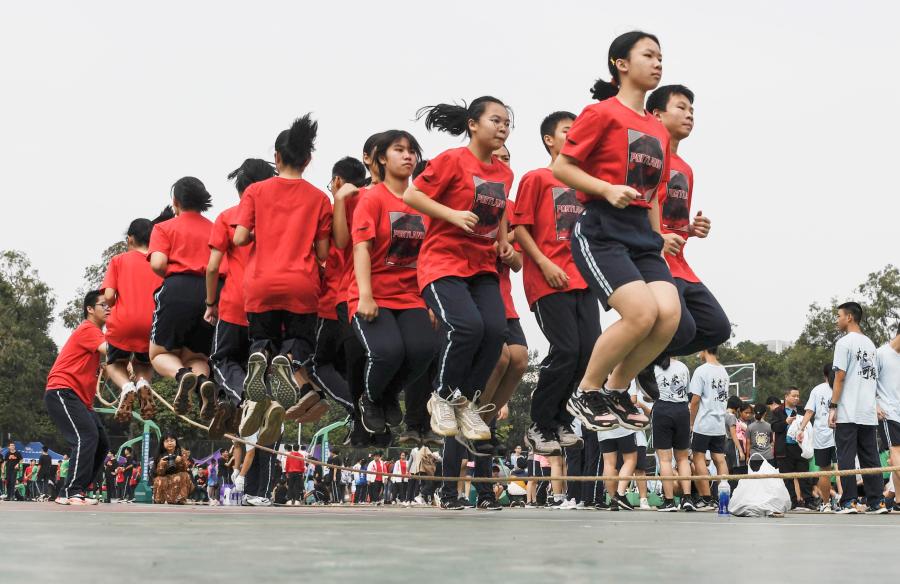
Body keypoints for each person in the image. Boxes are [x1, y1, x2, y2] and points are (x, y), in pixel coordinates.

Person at [552, 31, 679, 433]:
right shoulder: (600, 113)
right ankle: (586, 390)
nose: (658, 63)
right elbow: (562, 167)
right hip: (601, 227)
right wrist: (606, 188)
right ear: (621, 64)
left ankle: (617, 389)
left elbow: (654, 194)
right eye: (649, 55)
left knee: (669, 316)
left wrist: (659, 238)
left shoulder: (658, 129)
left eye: (660, 57)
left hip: (642, 234)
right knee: (641, 313)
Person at [403, 96, 514, 510]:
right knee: (466, 326)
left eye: (507, 122)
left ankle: (465, 402)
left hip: (481, 265)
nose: (502, 127)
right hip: (443, 263)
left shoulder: (504, 171)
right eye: (495, 120)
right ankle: (442, 396)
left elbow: (498, 214)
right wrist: (451, 215)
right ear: (473, 124)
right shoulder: (452, 160)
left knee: (495, 332)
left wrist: (502, 241)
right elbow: (413, 196)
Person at [234, 115, 331, 428]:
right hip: (301, 284)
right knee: (299, 340)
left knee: (263, 337)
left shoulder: (255, 192)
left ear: (276, 157)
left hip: (261, 282)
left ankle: (263, 355)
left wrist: (260, 232)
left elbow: (239, 238)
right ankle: (287, 361)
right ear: (308, 160)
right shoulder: (320, 198)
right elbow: (323, 253)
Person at [512, 110, 599, 457]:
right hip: (549, 279)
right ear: (550, 140)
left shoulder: (588, 184)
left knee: (589, 352)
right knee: (565, 349)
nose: (575, 135)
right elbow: (520, 228)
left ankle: (561, 420)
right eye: (567, 131)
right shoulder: (536, 178)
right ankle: (540, 423)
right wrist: (545, 263)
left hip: (583, 280)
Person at [349, 130, 435, 441]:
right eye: (399, 150)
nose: (407, 156)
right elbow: (361, 247)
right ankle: (370, 398)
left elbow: (428, 256)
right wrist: (365, 295)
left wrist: (431, 302)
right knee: (388, 352)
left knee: (425, 349)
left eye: (412, 150)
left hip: (411, 296)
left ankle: (387, 395)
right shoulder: (371, 198)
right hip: (373, 295)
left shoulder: (424, 204)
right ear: (382, 159)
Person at [642, 84, 730, 379]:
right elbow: (636, 206)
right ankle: (631, 358)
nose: (689, 115)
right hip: (654, 260)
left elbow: (672, 217)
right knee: (683, 328)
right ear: (656, 114)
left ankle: (647, 356)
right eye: (681, 107)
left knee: (717, 328)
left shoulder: (686, 169)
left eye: (692, 110)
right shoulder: (645, 157)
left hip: (681, 264)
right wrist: (656, 239)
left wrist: (691, 229)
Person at [205, 158, 277, 438]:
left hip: (235, 304)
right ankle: (253, 402)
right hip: (272, 307)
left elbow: (213, 267)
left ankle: (245, 399)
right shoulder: (281, 220)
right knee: (260, 365)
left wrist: (210, 303)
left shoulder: (227, 217)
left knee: (221, 359)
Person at [148, 177, 217, 418]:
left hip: (177, 289)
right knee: (197, 356)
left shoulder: (164, 228)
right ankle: (201, 380)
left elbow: (158, 263)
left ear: (175, 202)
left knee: (158, 354)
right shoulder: (216, 228)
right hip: (212, 294)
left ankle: (182, 375)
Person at [334, 136, 384, 448]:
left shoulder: (409, 196)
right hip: (351, 292)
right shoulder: (356, 196)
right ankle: (359, 419)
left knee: (387, 355)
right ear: (368, 158)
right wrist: (340, 200)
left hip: (395, 293)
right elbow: (341, 242)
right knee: (355, 358)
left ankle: (381, 412)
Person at [310, 157, 368, 421]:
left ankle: (357, 411)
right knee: (349, 368)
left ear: (337, 181)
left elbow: (322, 253)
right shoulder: (371, 204)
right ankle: (362, 424)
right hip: (363, 301)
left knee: (317, 364)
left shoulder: (335, 210)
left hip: (333, 300)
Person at [43, 290, 110, 505]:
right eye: (103, 305)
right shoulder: (88, 329)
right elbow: (110, 349)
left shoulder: (97, 336)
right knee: (86, 436)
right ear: (90, 309)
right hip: (62, 391)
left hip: (81, 399)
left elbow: (108, 359)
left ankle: (77, 490)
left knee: (102, 443)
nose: (108, 308)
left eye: (110, 305)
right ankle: (69, 492)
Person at [102, 218, 162, 422]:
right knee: (144, 363)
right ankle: (143, 383)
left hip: (123, 323)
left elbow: (108, 296)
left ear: (130, 239)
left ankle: (127, 386)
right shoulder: (159, 263)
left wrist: (113, 304)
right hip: (152, 324)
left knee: (114, 363)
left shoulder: (118, 260)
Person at [828, 302, 885, 514]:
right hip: (867, 412)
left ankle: (849, 501)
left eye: (839, 316)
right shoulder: (870, 344)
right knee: (871, 457)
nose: (837, 320)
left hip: (848, 411)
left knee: (846, 456)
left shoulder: (844, 343)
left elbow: (839, 377)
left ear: (849, 317)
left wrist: (833, 406)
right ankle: (876, 501)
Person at [650, 356, 694, 511]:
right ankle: (687, 498)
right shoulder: (683, 367)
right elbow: (688, 392)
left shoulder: (654, 367)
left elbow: (649, 394)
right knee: (683, 459)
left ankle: (669, 501)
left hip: (662, 409)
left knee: (665, 460)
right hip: (682, 410)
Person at [688, 346, 729, 510]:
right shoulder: (724, 371)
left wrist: (691, 422)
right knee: (720, 459)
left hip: (703, 422)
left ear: (704, 349)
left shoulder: (701, 371)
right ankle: (723, 498)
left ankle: (706, 498)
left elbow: (695, 400)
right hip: (719, 423)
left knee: (698, 458)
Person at [799, 364, 839, 512]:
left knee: (825, 471)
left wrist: (801, 429)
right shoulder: (841, 387)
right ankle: (845, 501)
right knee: (840, 469)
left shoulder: (817, 389)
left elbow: (809, 412)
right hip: (837, 434)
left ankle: (827, 503)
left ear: (824, 375)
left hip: (825, 435)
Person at [771, 386, 814, 510]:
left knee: (804, 476)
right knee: (787, 478)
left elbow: (809, 425)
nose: (796, 398)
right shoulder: (778, 411)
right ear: (786, 396)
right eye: (794, 396)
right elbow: (774, 427)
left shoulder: (802, 410)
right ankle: (792, 501)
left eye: (798, 396)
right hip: (784, 449)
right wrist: (786, 422)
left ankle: (808, 501)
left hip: (800, 447)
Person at [875, 323, 900, 511]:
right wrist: (874, 404)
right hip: (887, 413)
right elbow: (868, 383)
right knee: (896, 453)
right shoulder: (880, 354)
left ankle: (898, 500)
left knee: (896, 459)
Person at [152, 432, 192, 505]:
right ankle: (159, 499)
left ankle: (180, 499)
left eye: (172, 440)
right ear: (163, 443)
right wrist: (161, 465)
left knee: (185, 475)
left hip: (177, 479)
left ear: (176, 442)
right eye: (167, 441)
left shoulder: (181, 453)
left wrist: (180, 461)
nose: (169, 443)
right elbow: (156, 473)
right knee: (159, 479)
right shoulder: (159, 455)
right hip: (164, 479)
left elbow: (186, 469)